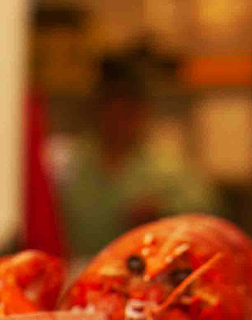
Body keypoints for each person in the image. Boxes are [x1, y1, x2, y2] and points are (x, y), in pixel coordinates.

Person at [56, 54, 215, 261]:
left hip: (146, 269)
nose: (118, 117)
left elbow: (205, 216)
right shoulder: (70, 158)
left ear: (142, 111)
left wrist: (163, 211)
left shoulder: (168, 165)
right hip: (78, 266)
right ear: (97, 108)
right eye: (111, 105)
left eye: (128, 107)